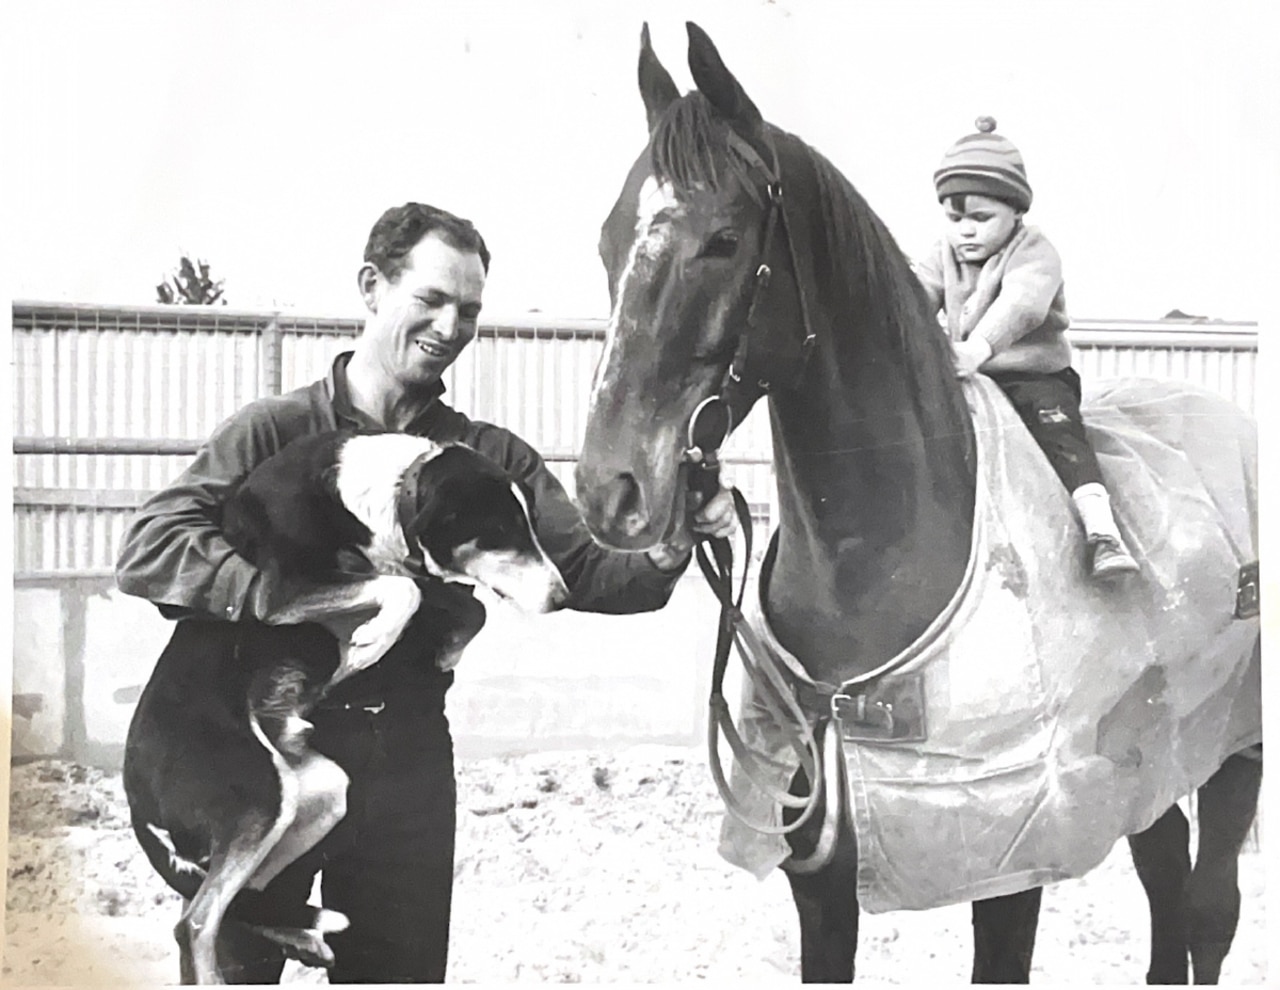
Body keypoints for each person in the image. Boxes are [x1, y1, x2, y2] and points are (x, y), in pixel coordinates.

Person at [115, 202, 738, 983]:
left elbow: (589, 569)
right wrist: (283, 594)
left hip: (405, 756)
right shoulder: (271, 432)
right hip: (263, 744)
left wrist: (677, 532)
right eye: (431, 300)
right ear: (373, 287)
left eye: (469, 310)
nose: (451, 326)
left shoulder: (484, 459)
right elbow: (149, 548)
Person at [913, 117, 1139, 582]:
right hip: (970, 376)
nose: (966, 232)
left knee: (1060, 436)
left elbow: (1024, 304)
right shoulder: (943, 253)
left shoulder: (1034, 250)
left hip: (1032, 377)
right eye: (955, 219)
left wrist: (978, 346)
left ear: (1015, 213)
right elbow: (915, 293)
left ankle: (1102, 531)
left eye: (980, 218)